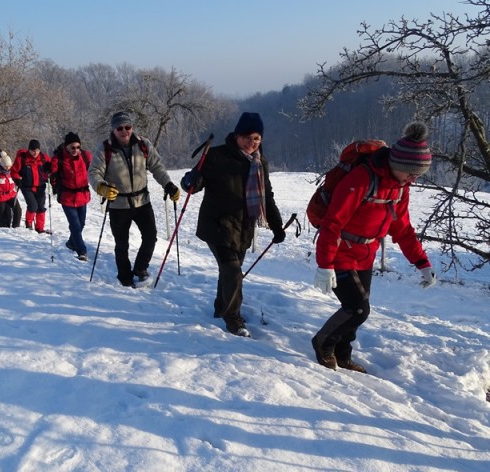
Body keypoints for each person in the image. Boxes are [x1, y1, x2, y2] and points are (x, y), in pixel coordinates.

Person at [311, 121, 437, 373]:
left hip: (365, 255)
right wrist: (324, 266)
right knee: (358, 309)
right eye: (412, 173)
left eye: (418, 175)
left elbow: (402, 229)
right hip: (340, 251)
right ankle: (323, 342)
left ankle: (343, 354)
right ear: (399, 165)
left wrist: (422, 263)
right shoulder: (361, 178)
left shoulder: (400, 188)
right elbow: (332, 223)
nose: (414, 179)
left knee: (356, 310)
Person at [180, 112, 286, 337]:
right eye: (247, 137)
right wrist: (191, 181)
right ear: (237, 136)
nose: (251, 143)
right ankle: (232, 316)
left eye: (256, 138)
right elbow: (194, 181)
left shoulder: (259, 162)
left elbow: (266, 195)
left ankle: (221, 306)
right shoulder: (217, 156)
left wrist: (277, 226)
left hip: (243, 228)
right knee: (232, 270)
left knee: (229, 271)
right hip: (217, 225)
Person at [88, 111, 180, 287]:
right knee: (121, 244)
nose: (124, 131)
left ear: (132, 127)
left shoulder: (143, 144)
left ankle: (140, 268)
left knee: (151, 237)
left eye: (128, 127)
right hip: (118, 204)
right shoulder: (105, 149)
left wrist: (168, 184)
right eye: (120, 128)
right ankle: (124, 276)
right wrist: (101, 187)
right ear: (113, 130)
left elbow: (157, 166)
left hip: (142, 201)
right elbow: (94, 173)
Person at [51, 132, 92, 261]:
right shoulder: (59, 158)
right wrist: (47, 170)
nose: (76, 150)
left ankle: (71, 243)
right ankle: (82, 251)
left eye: (78, 147)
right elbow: (51, 171)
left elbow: (95, 169)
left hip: (83, 196)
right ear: (66, 147)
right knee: (75, 225)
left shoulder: (85, 156)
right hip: (67, 197)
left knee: (81, 224)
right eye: (72, 147)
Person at [11, 139, 52, 233]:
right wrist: (17, 180)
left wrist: (50, 171)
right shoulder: (23, 158)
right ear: (29, 150)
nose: (35, 152)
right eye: (33, 150)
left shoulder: (43, 158)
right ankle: (29, 224)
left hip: (41, 186)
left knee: (41, 207)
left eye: (37, 150)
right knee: (33, 206)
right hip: (27, 187)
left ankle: (39, 228)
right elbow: (14, 171)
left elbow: (52, 168)